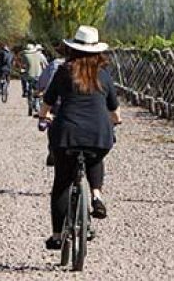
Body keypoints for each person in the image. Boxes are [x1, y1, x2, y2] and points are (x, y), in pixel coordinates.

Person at [37, 26, 121, 250]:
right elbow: (115, 111)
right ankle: (96, 195)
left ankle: (57, 235)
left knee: (62, 184)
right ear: (97, 52)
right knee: (94, 158)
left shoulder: (64, 71)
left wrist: (44, 117)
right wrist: (114, 121)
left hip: (67, 134)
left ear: (72, 49)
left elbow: (46, 104)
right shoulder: (103, 75)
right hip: (99, 134)